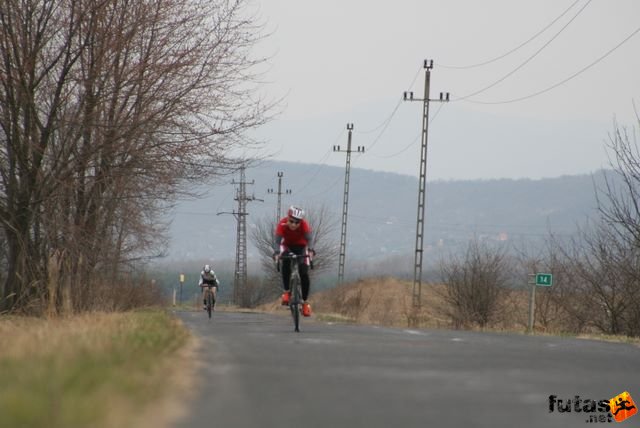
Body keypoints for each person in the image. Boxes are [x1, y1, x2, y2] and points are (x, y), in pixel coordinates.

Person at [273, 206, 315, 317]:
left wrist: (310, 251)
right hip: (287, 247)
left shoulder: (304, 225)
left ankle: (305, 303)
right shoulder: (282, 225)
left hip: (301, 247)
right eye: (291, 221)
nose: (294, 225)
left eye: (297, 222)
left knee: (304, 274)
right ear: (287, 218)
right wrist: (276, 253)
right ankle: (287, 291)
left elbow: (309, 240)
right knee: (285, 262)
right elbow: (277, 241)